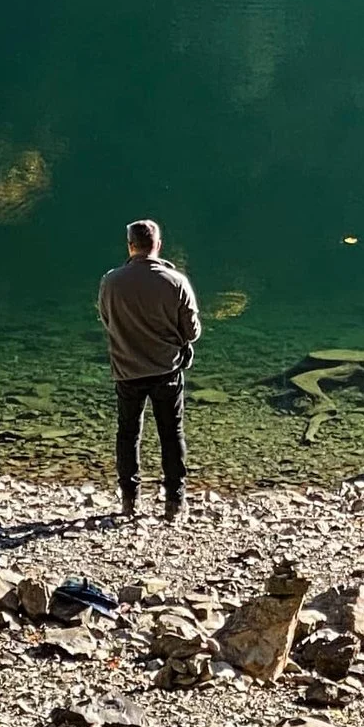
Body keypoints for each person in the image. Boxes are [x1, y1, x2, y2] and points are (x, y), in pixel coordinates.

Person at [97, 215, 200, 521]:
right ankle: (175, 502)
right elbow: (192, 331)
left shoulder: (110, 281)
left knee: (128, 434)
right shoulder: (176, 281)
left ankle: (129, 501)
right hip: (167, 370)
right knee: (171, 434)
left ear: (130, 246)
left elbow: (106, 320)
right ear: (158, 245)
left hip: (127, 371)